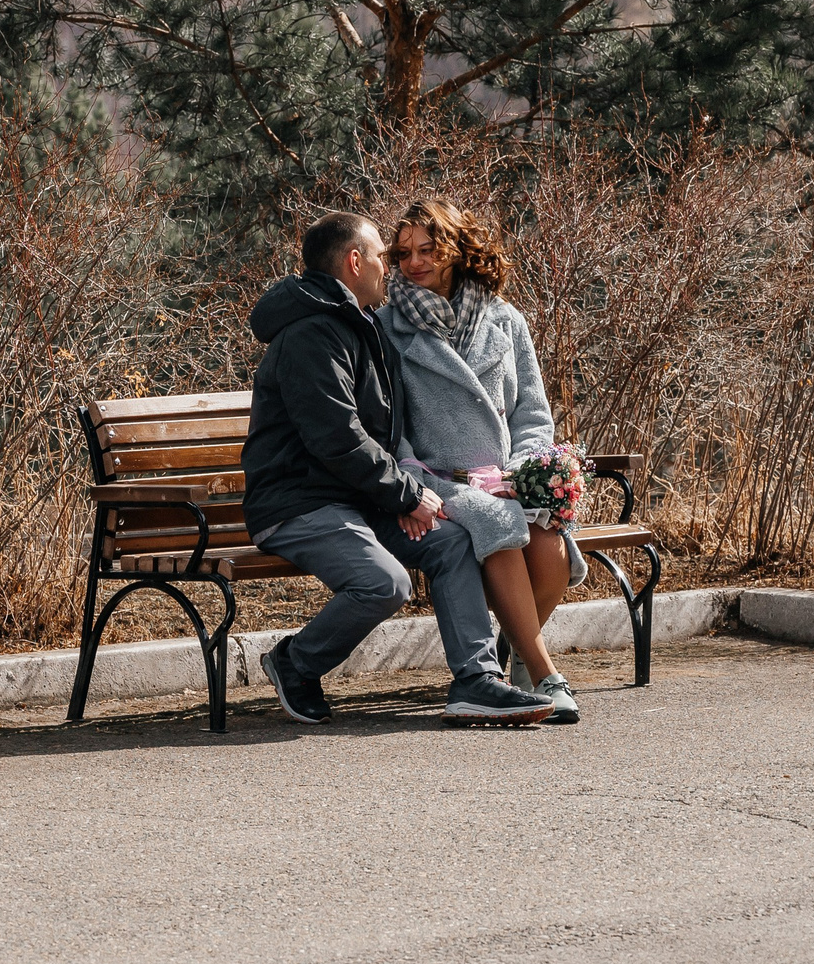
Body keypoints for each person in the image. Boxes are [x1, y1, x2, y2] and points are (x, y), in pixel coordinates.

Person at [244, 211, 559, 727]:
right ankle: (295, 662)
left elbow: (386, 432)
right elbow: (338, 439)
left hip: (360, 497)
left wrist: (407, 494)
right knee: (385, 582)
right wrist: (406, 495)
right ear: (354, 261)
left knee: (451, 541)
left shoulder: (360, 323)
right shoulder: (311, 335)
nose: (392, 267)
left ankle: (477, 680)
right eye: (384, 255)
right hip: (302, 502)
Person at [377, 199, 587, 725]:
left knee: (549, 545)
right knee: (496, 521)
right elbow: (387, 426)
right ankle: (545, 674)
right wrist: (413, 483)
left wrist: (526, 472)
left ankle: (507, 662)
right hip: (436, 481)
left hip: (506, 477)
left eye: (429, 249)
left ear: (458, 249)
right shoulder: (387, 327)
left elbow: (532, 414)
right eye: (403, 253)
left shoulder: (504, 319)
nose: (414, 263)